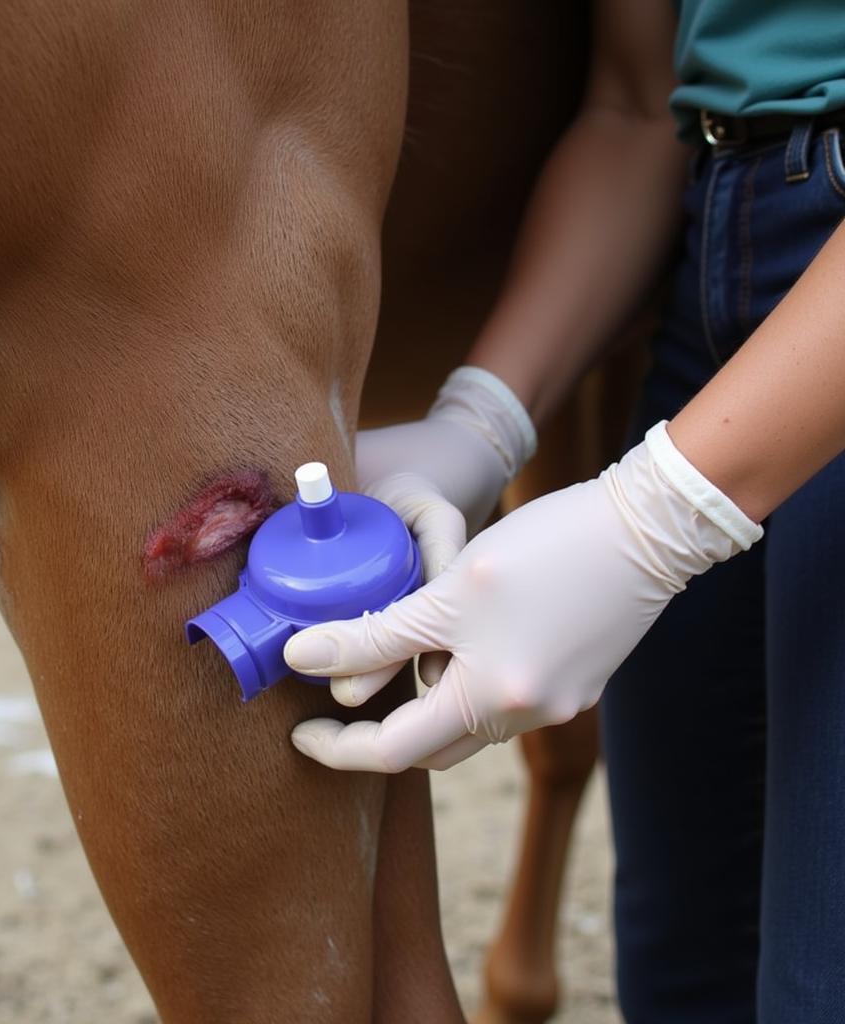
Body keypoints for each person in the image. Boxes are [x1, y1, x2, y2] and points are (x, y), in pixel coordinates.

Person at [285, 0, 845, 1019]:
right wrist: (481, 418)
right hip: (715, 235)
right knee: (684, 968)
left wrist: (653, 515)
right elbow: (636, 105)